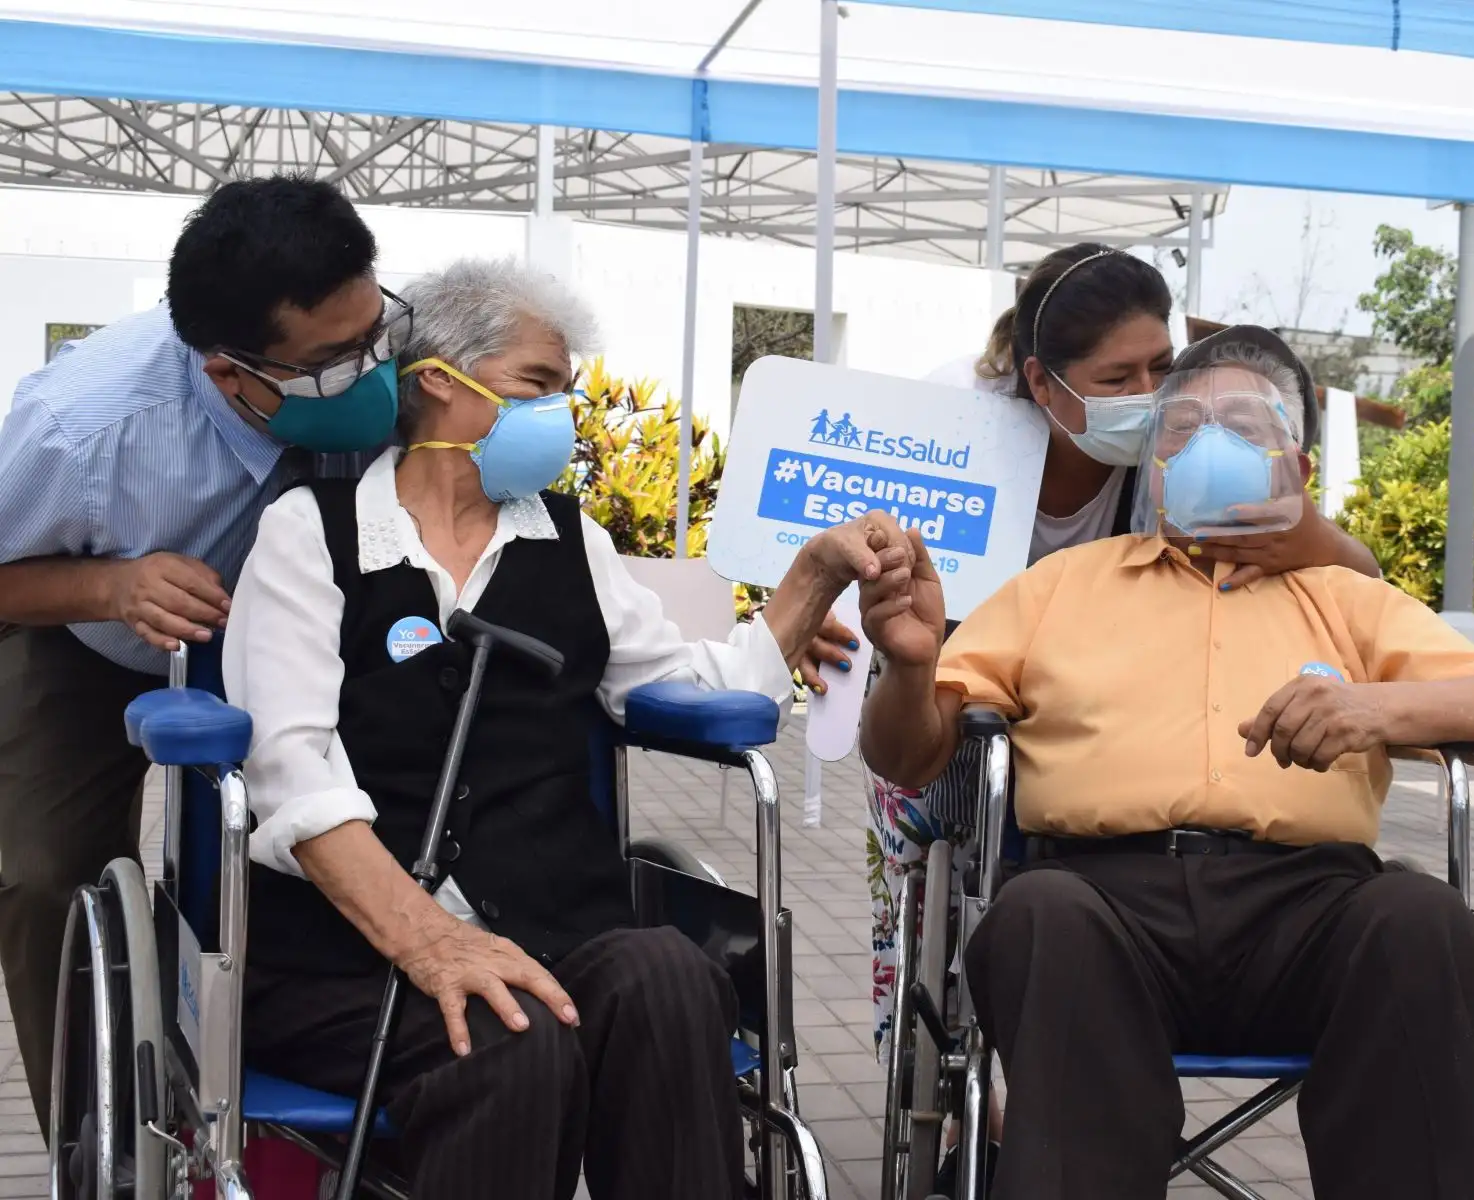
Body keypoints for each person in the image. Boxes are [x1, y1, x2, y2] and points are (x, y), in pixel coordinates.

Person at [223, 258, 910, 1200]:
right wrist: (432, 940)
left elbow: (677, 685)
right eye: (536, 386)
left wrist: (814, 577)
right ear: (437, 382)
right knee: (517, 1041)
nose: (562, 415)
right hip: (348, 959)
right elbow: (291, 771)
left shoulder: (568, 537)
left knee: (671, 975)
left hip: (555, 926)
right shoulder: (313, 532)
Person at [857, 327, 1474, 1200]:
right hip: (1106, 909)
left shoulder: (1346, 597)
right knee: (1037, 911)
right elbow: (909, 755)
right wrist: (911, 665)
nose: (1208, 442)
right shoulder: (1061, 585)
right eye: (1182, 427)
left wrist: (1374, 708)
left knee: (1420, 916)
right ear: (1152, 471)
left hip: (1311, 909)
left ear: (1295, 472)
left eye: (1243, 427)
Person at [858, 244, 1384, 1066]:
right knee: (959, 810)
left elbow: (1358, 592)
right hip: (957, 687)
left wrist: (1303, 530)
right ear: (1041, 383)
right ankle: (960, 1071)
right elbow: (850, 546)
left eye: (1161, 367)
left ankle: (1065, 1053)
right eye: (1115, 380)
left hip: (1096, 712)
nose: (1148, 397)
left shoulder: (1188, 457)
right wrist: (834, 613)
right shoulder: (956, 426)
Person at [0, 175, 401, 1132]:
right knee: (42, 872)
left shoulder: (358, 317)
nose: (374, 370)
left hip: (308, 648)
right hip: (93, 642)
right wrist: (108, 586)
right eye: (339, 362)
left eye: (377, 331)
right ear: (232, 374)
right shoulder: (81, 429)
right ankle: (93, 1140)